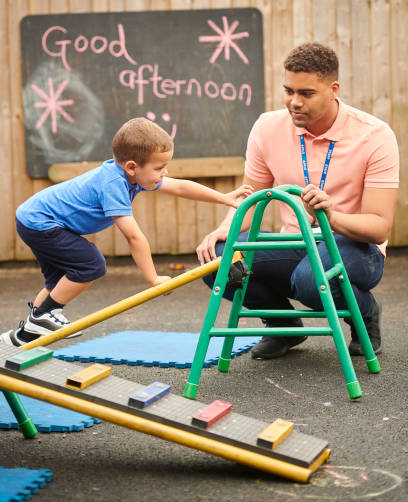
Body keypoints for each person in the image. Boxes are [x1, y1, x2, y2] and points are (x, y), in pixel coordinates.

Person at [197, 42, 399, 359]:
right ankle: (285, 326)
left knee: (311, 279)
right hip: (295, 242)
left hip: (355, 246)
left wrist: (331, 218)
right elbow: (251, 200)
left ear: (334, 89)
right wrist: (227, 229)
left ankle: (365, 312)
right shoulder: (267, 127)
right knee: (217, 261)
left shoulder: (375, 135)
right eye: (288, 91)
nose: (294, 102)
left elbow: (379, 228)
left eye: (306, 93)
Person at [1, 117, 253, 347]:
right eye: (159, 168)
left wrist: (224, 198)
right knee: (91, 264)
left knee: (59, 283)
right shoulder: (113, 184)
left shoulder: (132, 176)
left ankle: (23, 337)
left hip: (35, 219)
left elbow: (180, 188)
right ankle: (42, 316)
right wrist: (154, 279)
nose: (164, 173)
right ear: (132, 166)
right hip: (41, 222)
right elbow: (133, 237)